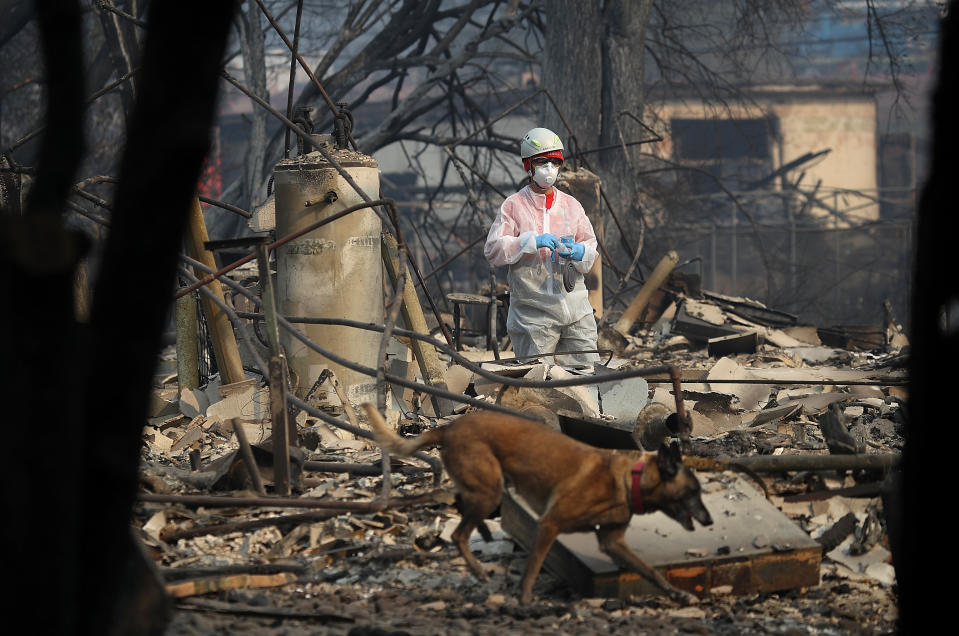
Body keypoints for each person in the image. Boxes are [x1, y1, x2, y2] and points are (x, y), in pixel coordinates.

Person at [484, 127, 599, 366]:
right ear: (529, 165)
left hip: (576, 312)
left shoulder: (571, 206)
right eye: (542, 162)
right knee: (537, 387)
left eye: (554, 162)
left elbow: (590, 245)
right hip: (533, 315)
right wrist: (528, 242)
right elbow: (493, 250)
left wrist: (580, 252)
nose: (549, 168)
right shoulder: (513, 206)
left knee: (587, 377)